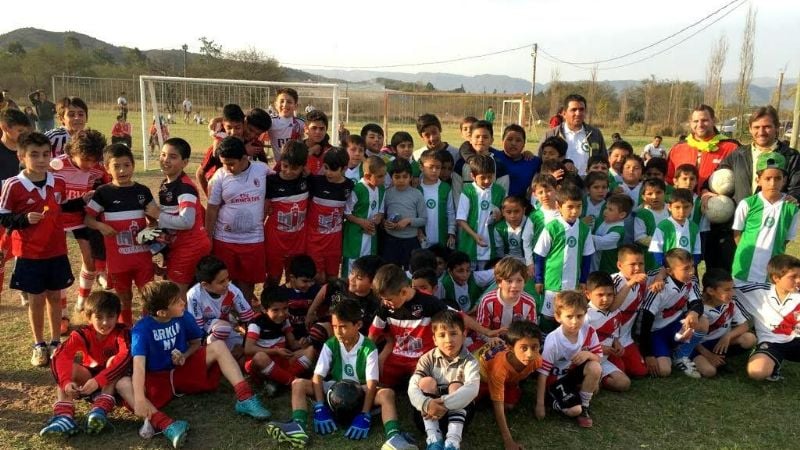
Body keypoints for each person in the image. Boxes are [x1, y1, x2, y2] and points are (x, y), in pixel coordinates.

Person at [131, 281, 270, 448]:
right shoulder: (141, 329)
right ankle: (165, 424)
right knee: (125, 386)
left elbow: (196, 343)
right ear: (161, 312)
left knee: (218, 346)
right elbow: (138, 367)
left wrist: (184, 355)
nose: (183, 303)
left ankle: (245, 397)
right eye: (176, 301)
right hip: (157, 379)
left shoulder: (184, 316)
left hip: (182, 370)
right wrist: (139, 398)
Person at [0, 132, 82, 366]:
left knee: (55, 297)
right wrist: (23, 219)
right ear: (21, 156)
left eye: (46, 154)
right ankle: (39, 344)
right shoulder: (13, 185)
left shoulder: (58, 182)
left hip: (56, 251)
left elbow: (63, 207)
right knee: (36, 300)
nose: (41, 159)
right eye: (34, 154)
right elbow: (3, 217)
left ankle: (56, 342)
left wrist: (84, 199)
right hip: (29, 254)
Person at [85, 144, 159, 327]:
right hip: (118, 259)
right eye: (116, 166)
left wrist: (151, 229)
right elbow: (88, 219)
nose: (122, 170)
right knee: (124, 297)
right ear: (106, 168)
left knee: (148, 295)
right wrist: (101, 225)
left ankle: (146, 328)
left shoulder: (142, 191)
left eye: (127, 165)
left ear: (133, 165)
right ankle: (125, 330)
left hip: (142, 257)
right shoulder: (103, 193)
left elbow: (155, 219)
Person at [40, 291, 132, 436]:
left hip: (115, 384)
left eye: (110, 317)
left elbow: (125, 357)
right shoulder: (82, 334)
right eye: (99, 317)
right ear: (89, 317)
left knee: (113, 361)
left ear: (117, 316)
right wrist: (66, 383)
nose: (105, 322)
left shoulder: (123, 333)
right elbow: (60, 356)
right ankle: (64, 417)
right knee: (67, 368)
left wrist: (99, 380)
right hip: (90, 380)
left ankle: (100, 410)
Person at [665, 104, 739, 270]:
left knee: (718, 269)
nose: (700, 124)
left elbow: (739, 182)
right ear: (690, 123)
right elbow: (669, 180)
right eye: (696, 121)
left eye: (705, 120)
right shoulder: (679, 148)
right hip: (684, 216)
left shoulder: (731, 148)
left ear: (714, 121)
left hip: (718, 221)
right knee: (683, 267)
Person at [51, 129, 108, 330]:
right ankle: (63, 313)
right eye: (85, 159)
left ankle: (82, 303)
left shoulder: (97, 169)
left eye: (94, 160)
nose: (89, 165)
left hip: (80, 218)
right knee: (59, 263)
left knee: (90, 261)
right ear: (73, 152)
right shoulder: (56, 165)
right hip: (56, 220)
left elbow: (104, 185)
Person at [205, 137, 270, 304]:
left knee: (247, 282)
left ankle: (244, 313)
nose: (227, 168)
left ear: (244, 158)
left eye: (231, 163)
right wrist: (208, 237)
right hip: (225, 239)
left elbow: (283, 179)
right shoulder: (219, 177)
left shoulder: (262, 170)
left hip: (253, 239)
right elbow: (212, 209)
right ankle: (225, 314)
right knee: (223, 281)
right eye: (223, 163)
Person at [408, 310, 480, 450]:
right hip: (428, 414)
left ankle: (452, 442)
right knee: (425, 382)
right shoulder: (427, 358)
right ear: (434, 339)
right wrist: (427, 404)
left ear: (464, 335)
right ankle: (433, 439)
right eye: (442, 335)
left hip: (459, 416)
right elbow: (412, 387)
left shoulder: (470, 361)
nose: (448, 340)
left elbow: (473, 389)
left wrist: (444, 404)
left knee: (456, 386)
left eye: (453, 333)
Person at [535, 291, 602, 428]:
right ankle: (552, 400)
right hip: (555, 380)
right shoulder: (553, 340)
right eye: (569, 316)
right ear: (558, 317)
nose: (575, 321)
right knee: (573, 410)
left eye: (579, 316)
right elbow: (542, 374)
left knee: (595, 368)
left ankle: (584, 407)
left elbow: (598, 358)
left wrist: (588, 355)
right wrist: (539, 405)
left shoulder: (589, 331)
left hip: (572, 375)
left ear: (585, 314)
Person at [534, 185, 596, 332]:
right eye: (570, 207)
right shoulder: (552, 227)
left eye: (578, 207)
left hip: (573, 284)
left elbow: (587, 256)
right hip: (552, 282)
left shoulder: (584, 229)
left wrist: (583, 280)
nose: (575, 211)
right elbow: (539, 255)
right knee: (548, 316)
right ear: (559, 206)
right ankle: (544, 341)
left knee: (569, 314)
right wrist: (538, 279)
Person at [639, 248, 708, 379]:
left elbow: (697, 303)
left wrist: (693, 313)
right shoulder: (658, 287)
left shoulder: (691, 280)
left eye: (692, 267)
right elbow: (645, 322)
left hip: (676, 324)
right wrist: (648, 354)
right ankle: (670, 350)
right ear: (669, 271)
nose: (691, 272)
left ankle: (682, 354)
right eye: (686, 269)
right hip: (656, 331)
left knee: (702, 321)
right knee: (664, 370)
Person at [156, 138, 212, 298]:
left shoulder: (184, 188)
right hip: (180, 245)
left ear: (184, 162)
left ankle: (182, 322)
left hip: (189, 248)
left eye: (173, 157)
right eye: (163, 154)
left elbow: (187, 221)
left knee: (176, 296)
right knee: (184, 293)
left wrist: (157, 215)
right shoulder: (167, 182)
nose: (166, 160)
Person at [732, 152, 798, 284]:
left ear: (784, 180)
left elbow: (785, 240)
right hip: (744, 269)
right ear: (758, 180)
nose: (772, 183)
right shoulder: (747, 204)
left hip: (773, 271)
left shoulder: (792, 208)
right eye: (767, 178)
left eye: (777, 178)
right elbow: (737, 235)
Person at [476, 319, 541, 450]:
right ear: (510, 348)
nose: (530, 354)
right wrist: (508, 441)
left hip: (507, 379)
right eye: (524, 348)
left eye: (535, 347)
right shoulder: (499, 369)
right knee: (471, 402)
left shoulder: (537, 360)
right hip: (480, 377)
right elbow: (498, 406)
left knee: (509, 406)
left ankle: (503, 388)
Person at [735, 254, 800, 381]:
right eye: (793, 277)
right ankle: (772, 362)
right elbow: (724, 288)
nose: (798, 280)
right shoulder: (757, 292)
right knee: (757, 372)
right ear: (776, 278)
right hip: (772, 342)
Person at [244, 287, 315, 387]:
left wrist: (303, 343)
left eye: (285, 308)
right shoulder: (256, 323)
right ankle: (294, 382)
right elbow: (248, 349)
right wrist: (275, 351)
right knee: (261, 357)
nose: (281, 314)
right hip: (261, 363)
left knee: (310, 350)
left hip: (280, 360)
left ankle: (279, 381)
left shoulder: (285, 320)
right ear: (264, 309)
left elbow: (293, 344)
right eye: (275, 310)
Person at [691, 269, 756, 378]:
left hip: (720, 342)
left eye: (732, 289)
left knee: (750, 339)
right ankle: (692, 359)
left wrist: (728, 336)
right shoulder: (698, 308)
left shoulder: (731, 303)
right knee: (709, 371)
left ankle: (719, 356)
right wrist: (707, 354)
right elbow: (689, 338)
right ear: (711, 291)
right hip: (698, 346)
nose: (732, 293)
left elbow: (744, 325)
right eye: (727, 290)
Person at [264, 141, 310, 287]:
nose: (289, 171)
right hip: (275, 241)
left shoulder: (308, 181)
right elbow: (263, 209)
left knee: (294, 279)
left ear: (303, 167)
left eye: (295, 168)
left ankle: (292, 306)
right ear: (280, 162)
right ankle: (270, 306)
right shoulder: (271, 181)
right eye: (285, 166)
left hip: (298, 241)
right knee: (273, 278)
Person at [187, 255, 256, 350]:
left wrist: (245, 346)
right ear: (205, 285)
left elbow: (249, 320)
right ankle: (208, 351)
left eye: (227, 278)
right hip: (206, 334)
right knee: (223, 328)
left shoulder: (233, 290)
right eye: (221, 282)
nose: (227, 283)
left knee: (244, 353)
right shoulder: (194, 295)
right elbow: (197, 328)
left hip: (226, 331)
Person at [306, 148, 354, 282]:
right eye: (326, 168)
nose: (328, 173)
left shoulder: (349, 186)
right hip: (314, 240)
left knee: (332, 277)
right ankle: (316, 302)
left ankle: (333, 302)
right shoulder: (315, 181)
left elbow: (350, 211)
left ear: (344, 168)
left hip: (334, 241)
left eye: (333, 169)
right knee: (317, 276)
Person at [0, 109, 32, 299]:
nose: (24, 135)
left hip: (24, 212)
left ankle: (25, 287)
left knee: (25, 251)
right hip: (3, 213)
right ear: (5, 128)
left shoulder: (27, 153)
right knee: (1, 254)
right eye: (20, 131)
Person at [456, 154, 505, 270]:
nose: (487, 181)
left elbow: (504, 214)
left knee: (488, 275)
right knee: (469, 274)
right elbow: (461, 219)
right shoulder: (468, 191)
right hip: (470, 243)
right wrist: (475, 236)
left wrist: (499, 217)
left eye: (490, 176)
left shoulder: (499, 191)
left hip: (491, 244)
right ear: (473, 176)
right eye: (483, 177)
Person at [537, 94, 607, 176]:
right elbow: (539, 162)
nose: (578, 113)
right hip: (560, 185)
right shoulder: (551, 134)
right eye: (574, 110)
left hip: (588, 185)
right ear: (564, 113)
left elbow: (604, 160)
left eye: (581, 109)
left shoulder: (595, 134)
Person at [584, 272, 631, 392]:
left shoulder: (616, 313)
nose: (605, 299)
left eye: (610, 294)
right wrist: (599, 348)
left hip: (603, 361)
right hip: (587, 362)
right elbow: (578, 345)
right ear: (588, 294)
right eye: (600, 295)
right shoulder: (584, 316)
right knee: (593, 391)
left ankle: (599, 379)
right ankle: (591, 379)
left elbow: (614, 335)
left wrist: (617, 344)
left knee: (624, 384)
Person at [475, 257, 537, 344]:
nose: (515, 285)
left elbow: (532, 330)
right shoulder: (487, 301)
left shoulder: (529, 302)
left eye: (519, 280)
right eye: (509, 281)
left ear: (525, 282)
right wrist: (490, 340)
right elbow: (480, 330)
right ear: (499, 282)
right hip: (492, 344)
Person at [608, 245, 649, 378]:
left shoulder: (644, 281)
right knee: (620, 371)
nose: (637, 268)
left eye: (641, 264)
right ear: (620, 265)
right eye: (632, 264)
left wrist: (659, 276)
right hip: (608, 339)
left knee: (640, 372)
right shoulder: (613, 281)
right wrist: (630, 283)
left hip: (626, 339)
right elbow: (611, 308)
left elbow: (664, 270)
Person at [342, 155, 386, 276]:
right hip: (355, 236)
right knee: (352, 267)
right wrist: (362, 222)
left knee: (368, 267)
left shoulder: (381, 189)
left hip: (371, 236)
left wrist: (379, 217)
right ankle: (346, 292)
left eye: (384, 175)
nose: (384, 179)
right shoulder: (357, 189)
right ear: (367, 176)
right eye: (380, 176)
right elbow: (346, 212)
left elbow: (381, 210)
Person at [383, 158, 427, 269]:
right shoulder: (387, 194)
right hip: (391, 240)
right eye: (397, 177)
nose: (401, 180)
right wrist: (386, 223)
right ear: (391, 178)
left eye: (405, 177)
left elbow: (424, 219)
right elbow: (382, 215)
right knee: (391, 271)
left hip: (411, 241)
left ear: (411, 177)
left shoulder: (417, 194)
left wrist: (408, 221)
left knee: (410, 271)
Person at [196, 104, 247, 195]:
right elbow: (200, 173)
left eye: (238, 128)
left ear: (244, 125)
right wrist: (209, 197)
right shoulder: (218, 147)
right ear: (223, 126)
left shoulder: (250, 143)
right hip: (222, 196)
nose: (233, 132)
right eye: (229, 128)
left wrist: (216, 119)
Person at [649, 188, 702, 268]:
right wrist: (666, 265)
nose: (682, 211)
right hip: (668, 269)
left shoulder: (694, 227)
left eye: (686, 207)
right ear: (669, 207)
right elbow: (656, 249)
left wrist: (691, 265)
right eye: (677, 207)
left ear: (692, 207)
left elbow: (696, 251)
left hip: (688, 270)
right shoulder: (663, 226)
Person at [417, 149, 456, 249]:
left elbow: (450, 212)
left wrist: (451, 233)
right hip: (421, 239)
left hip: (441, 240)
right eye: (431, 167)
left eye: (438, 167)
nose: (434, 171)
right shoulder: (417, 189)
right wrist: (418, 231)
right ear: (421, 167)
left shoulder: (445, 188)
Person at [492, 124, 541, 198]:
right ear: (502, 141)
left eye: (518, 140)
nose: (513, 143)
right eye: (509, 139)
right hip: (495, 204)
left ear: (524, 144)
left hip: (522, 206)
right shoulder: (493, 157)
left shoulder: (533, 161)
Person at [633, 178, 670, 271]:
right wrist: (663, 244)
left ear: (664, 193)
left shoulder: (671, 210)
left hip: (673, 255)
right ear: (643, 196)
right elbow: (639, 237)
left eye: (658, 192)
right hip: (650, 258)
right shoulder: (642, 214)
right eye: (650, 194)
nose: (654, 197)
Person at [592, 194, 633, 274]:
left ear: (622, 215)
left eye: (610, 210)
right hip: (593, 267)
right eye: (606, 208)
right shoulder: (600, 221)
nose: (605, 211)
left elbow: (601, 242)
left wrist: (583, 234)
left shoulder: (618, 231)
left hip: (607, 271)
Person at [492, 196, 534, 269]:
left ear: (524, 210)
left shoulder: (530, 223)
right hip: (508, 260)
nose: (513, 215)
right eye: (508, 212)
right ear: (503, 212)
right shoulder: (499, 228)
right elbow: (500, 250)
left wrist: (530, 264)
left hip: (528, 261)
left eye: (517, 211)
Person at [269, 88, 305, 166]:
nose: (285, 105)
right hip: (279, 166)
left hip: (296, 166)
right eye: (282, 101)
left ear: (296, 106)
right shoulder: (270, 122)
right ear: (275, 105)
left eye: (289, 102)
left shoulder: (301, 123)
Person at [304, 110, 333, 176]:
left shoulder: (331, 151)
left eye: (322, 128)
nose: (318, 132)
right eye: (314, 128)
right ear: (306, 129)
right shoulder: (297, 150)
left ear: (326, 130)